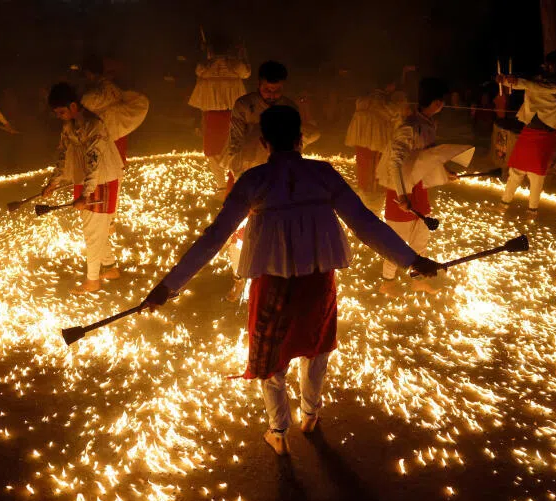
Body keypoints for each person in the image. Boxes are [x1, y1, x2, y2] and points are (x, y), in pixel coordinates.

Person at [140, 106, 440, 455]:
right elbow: (365, 224)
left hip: (273, 283)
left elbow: (215, 236)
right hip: (317, 281)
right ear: (300, 138)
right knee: (316, 351)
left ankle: (278, 430)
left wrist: (168, 285)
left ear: (264, 141)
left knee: (272, 358)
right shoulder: (323, 174)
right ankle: (310, 415)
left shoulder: (253, 180)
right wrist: (411, 259)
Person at [220, 60, 320, 301]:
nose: (273, 95)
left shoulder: (289, 107)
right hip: (248, 173)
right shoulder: (244, 106)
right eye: (267, 90)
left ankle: (269, 278)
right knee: (241, 229)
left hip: (281, 176)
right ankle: (238, 276)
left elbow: (297, 143)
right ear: (258, 85)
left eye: (277, 91)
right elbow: (235, 141)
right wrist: (239, 175)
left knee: (276, 227)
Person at [376, 77, 459, 295]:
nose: (441, 104)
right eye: (439, 100)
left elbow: (427, 157)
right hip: (400, 188)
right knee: (397, 237)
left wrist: (445, 170)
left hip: (419, 186)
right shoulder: (409, 126)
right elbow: (395, 161)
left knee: (421, 234)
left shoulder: (429, 124)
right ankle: (388, 282)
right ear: (432, 101)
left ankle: (417, 279)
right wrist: (402, 194)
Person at [41, 83, 124, 294]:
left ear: (73, 106)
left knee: (92, 232)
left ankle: (93, 280)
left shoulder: (94, 125)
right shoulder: (69, 127)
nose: (59, 116)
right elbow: (63, 155)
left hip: (101, 180)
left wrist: (86, 194)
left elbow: (94, 162)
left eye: (61, 112)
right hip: (86, 180)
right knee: (96, 228)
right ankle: (111, 267)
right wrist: (53, 182)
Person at [498, 50, 556, 213]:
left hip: (546, 133)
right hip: (531, 129)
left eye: (553, 65)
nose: (549, 67)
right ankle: (504, 204)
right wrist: (506, 81)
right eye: (548, 64)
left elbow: (535, 86)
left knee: (536, 173)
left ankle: (532, 210)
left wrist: (517, 81)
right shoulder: (540, 79)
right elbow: (525, 84)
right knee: (516, 170)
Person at [188, 34, 251, 179]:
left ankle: (223, 185)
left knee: (216, 149)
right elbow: (246, 72)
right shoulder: (235, 67)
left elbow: (199, 70)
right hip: (225, 115)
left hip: (220, 115)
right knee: (228, 148)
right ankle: (231, 182)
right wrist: (243, 54)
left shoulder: (206, 68)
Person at [81, 54, 150, 165]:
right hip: (116, 134)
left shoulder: (95, 93)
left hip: (106, 137)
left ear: (88, 73)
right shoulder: (113, 89)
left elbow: (87, 103)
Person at [344, 77, 404, 192]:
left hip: (361, 141)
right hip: (376, 143)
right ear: (388, 86)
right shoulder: (383, 103)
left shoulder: (364, 100)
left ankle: (365, 194)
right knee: (374, 170)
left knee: (364, 168)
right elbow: (395, 118)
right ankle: (371, 196)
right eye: (393, 85)